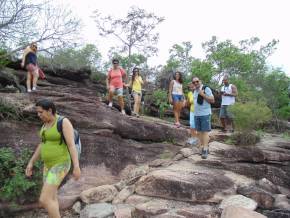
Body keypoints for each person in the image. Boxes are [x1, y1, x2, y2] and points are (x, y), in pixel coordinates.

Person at [25, 99, 81, 218]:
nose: (38, 115)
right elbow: (42, 144)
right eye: (38, 112)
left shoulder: (63, 122)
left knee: (44, 199)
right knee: (52, 197)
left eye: (41, 112)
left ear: (50, 110)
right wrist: (31, 162)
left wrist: (76, 166)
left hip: (60, 164)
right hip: (48, 165)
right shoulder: (45, 124)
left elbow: (71, 145)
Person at [192, 77, 214, 159]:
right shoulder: (195, 91)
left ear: (200, 81)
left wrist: (202, 94)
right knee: (199, 132)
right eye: (194, 82)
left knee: (205, 132)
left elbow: (212, 100)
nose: (195, 83)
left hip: (205, 113)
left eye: (197, 81)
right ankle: (203, 147)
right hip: (197, 114)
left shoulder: (206, 88)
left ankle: (205, 149)